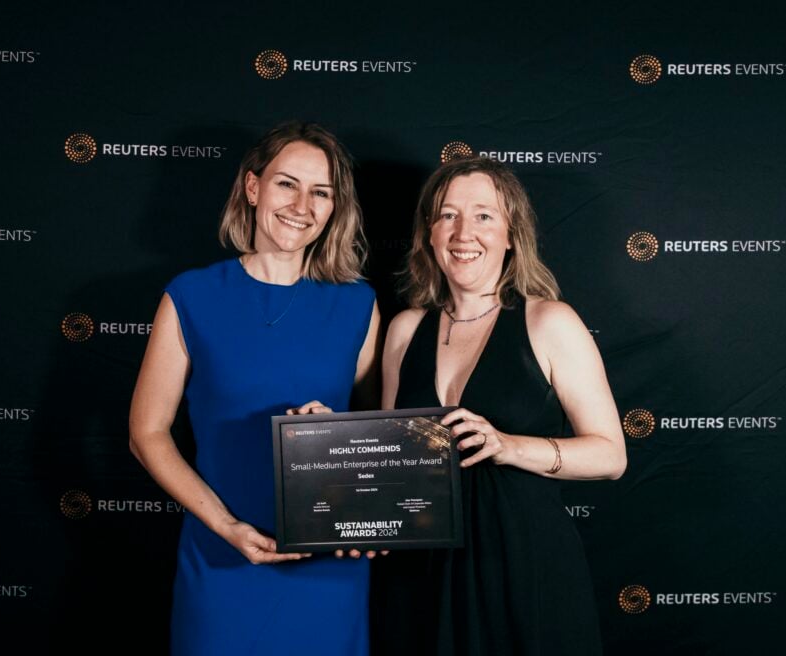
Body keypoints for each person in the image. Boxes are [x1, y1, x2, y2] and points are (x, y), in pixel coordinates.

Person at [129, 121, 382, 656]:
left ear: (335, 207)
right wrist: (225, 527)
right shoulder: (191, 296)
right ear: (252, 188)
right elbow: (146, 433)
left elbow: (377, 439)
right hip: (222, 557)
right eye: (286, 183)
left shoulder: (359, 305)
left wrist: (337, 433)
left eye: (321, 192)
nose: (301, 204)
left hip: (328, 570)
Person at [371, 156, 626, 655]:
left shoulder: (549, 321)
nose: (464, 231)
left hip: (521, 565)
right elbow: (389, 465)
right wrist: (318, 438)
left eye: (484, 215)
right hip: (421, 574)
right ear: (429, 232)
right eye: (447, 214)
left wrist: (509, 446)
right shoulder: (404, 329)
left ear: (512, 234)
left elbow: (611, 456)